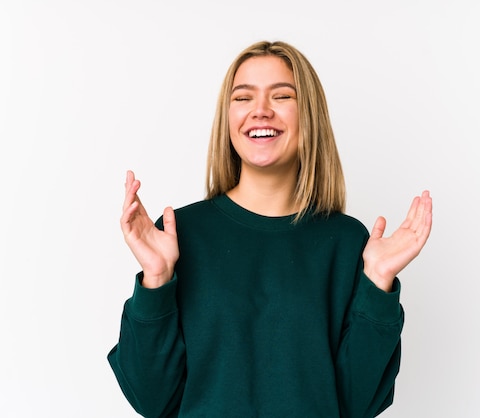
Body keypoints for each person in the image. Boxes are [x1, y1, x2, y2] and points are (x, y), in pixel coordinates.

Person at [108, 40, 433, 418]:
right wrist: (156, 280)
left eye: (281, 96)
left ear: (308, 115)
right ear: (227, 118)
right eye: (243, 98)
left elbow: (357, 403)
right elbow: (152, 400)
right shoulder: (178, 236)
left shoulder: (346, 243)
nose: (260, 111)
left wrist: (378, 283)